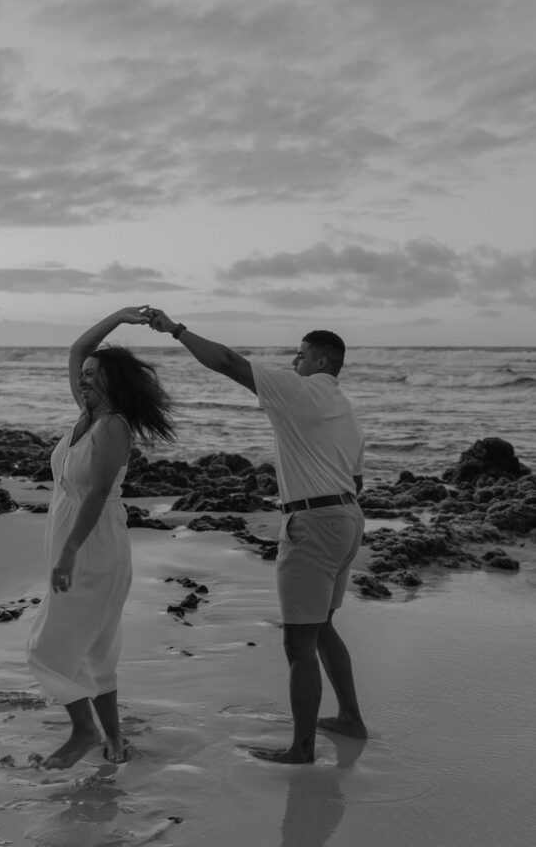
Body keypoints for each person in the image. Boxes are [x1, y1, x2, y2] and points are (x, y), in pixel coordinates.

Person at [145, 308, 366, 765]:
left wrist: (177, 330)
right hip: (347, 519)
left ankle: (301, 749)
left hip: (314, 523)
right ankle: (349, 719)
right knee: (322, 627)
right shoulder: (344, 408)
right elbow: (357, 480)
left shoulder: (300, 390)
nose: (293, 362)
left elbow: (228, 362)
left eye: (300, 355)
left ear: (321, 362)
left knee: (299, 643)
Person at [26, 306, 175, 769]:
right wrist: (120, 316)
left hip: (93, 546)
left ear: (113, 382)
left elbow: (98, 492)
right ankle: (114, 742)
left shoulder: (112, 426)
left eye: (94, 375)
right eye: (84, 375)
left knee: (46, 649)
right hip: (76, 538)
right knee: (96, 648)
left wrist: (69, 550)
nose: (84, 378)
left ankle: (84, 731)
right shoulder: (86, 416)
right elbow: (77, 348)